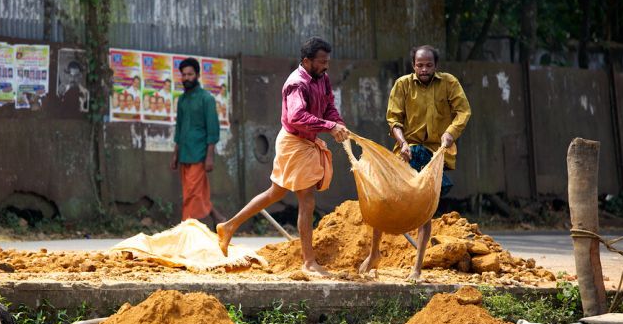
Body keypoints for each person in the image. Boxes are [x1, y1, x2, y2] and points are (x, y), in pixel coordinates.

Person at [217, 37, 349, 275]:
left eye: (327, 61)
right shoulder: (296, 83)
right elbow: (297, 117)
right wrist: (329, 127)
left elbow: (329, 105)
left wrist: (337, 123)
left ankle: (228, 226)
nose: (326, 66)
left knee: (275, 193)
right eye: (321, 62)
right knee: (307, 200)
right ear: (307, 61)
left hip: (303, 142)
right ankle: (309, 262)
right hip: (294, 143)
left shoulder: (323, 78)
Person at [359, 45, 471, 281]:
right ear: (413, 66)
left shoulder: (449, 83)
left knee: (424, 211)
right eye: (420, 65)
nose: (424, 69)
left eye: (429, 65)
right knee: (383, 199)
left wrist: (450, 133)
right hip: (406, 152)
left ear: (435, 65)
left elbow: (463, 111)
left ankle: (416, 268)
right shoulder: (402, 84)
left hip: (435, 154)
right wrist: (402, 143)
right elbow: (393, 118)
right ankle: (374, 253)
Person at [170, 57, 226, 224]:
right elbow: (179, 128)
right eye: (184, 75)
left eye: (190, 74)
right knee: (191, 192)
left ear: (197, 75)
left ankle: (186, 227)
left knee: (193, 194)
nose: (186, 78)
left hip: (199, 154)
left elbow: (213, 129)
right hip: (184, 154)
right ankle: (219, 219)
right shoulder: (182, 100)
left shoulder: (206, 99)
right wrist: (175, 154)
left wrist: (209, 156)